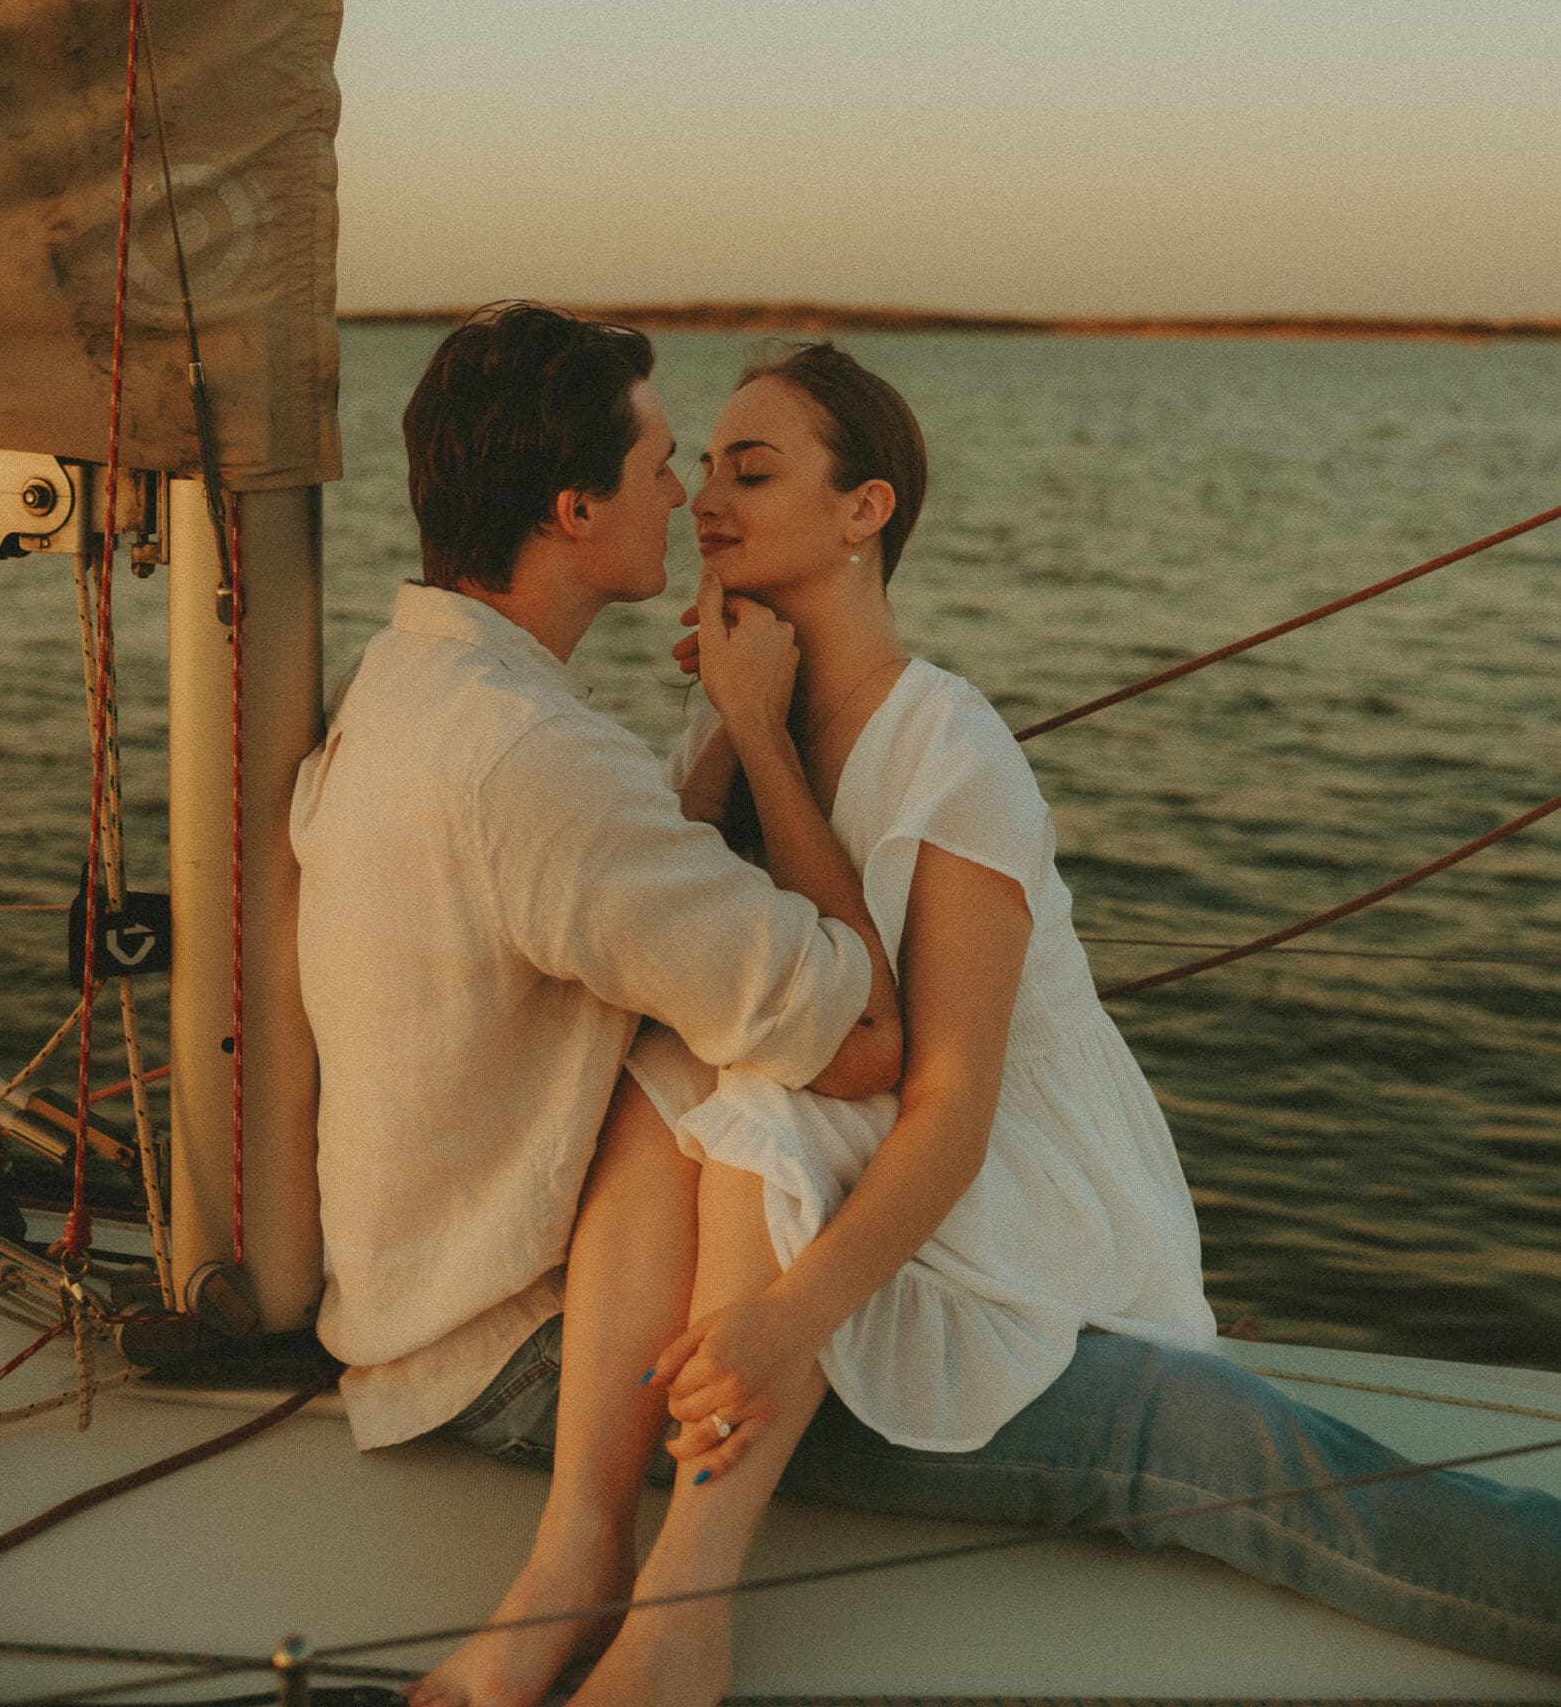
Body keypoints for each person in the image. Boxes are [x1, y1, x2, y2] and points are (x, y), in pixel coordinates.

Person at [414, 338, 1561, 1707]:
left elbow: (945, 1104)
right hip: (826, 1198)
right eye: (702, 466)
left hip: (1007, 1203)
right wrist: (733, 733)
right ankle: (596, 1577)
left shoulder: (950, 755)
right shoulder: (722, 734)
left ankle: (677, 1627)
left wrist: (786, 1322)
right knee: (689, 1056)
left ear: (864, 512)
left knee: (1227, 1442)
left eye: (753, 469)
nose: (705, 497)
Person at [294, 304, 905, 1463]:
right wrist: (768, 737)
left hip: (412, 1308)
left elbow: (601, 884)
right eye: (661, 465)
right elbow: (864, 1035)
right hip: (514, 1353)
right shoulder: (532, 760)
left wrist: (724, 726)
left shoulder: (403, 681)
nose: (685, 498)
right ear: (576, 511)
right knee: (1136, 1430)